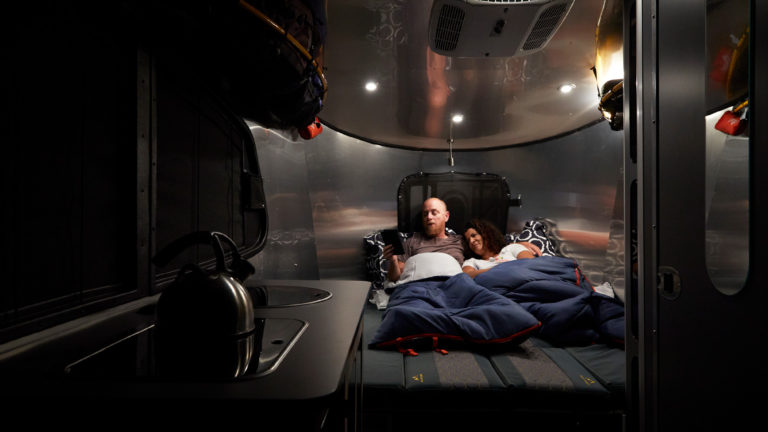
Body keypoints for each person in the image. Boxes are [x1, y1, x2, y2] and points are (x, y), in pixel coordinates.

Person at [382, 197, 465, 282]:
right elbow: (395, 278)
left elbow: (472, 265)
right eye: (425, 214)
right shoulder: (412, 242)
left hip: (453, 283)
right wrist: (393, 260)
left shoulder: (460, 241)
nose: (429, 217)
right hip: (421, 285)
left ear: (446, 216)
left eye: (434, 213)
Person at [461, 218, 539, 278]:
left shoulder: (512, 248)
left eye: (474, 235)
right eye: (468, 240)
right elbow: (465, 277)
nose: (471, 241)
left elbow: (531, 264)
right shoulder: (472, 262)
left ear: (486, 234)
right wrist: (500, 269)